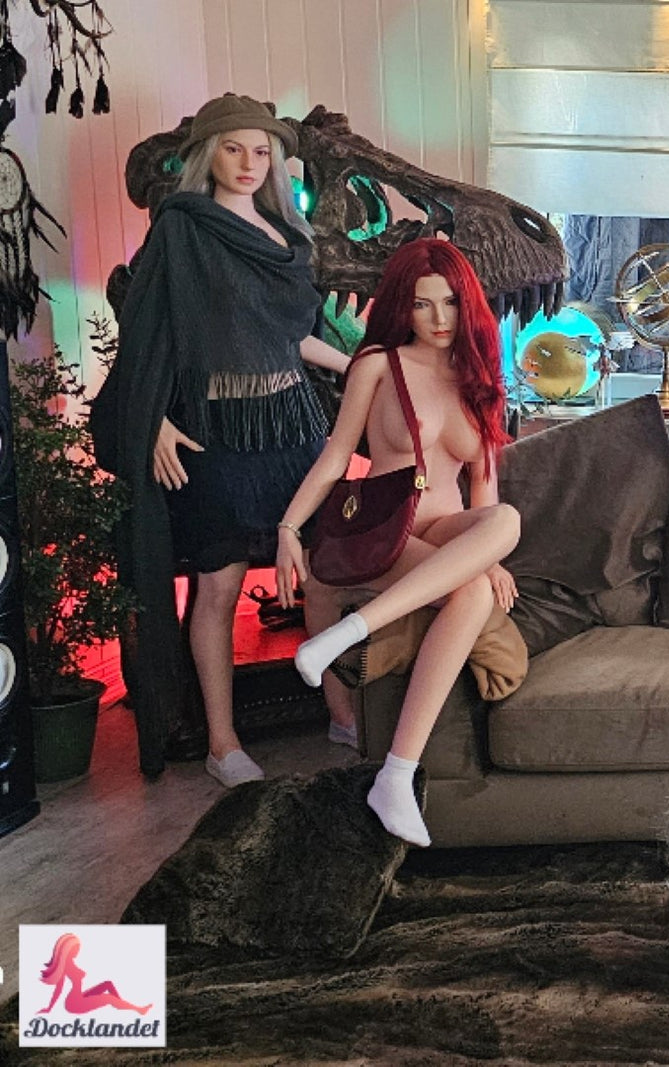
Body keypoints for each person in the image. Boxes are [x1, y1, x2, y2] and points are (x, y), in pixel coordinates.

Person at [94, 93, 352, 784]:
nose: (248, 162)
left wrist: (361, 367)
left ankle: (340, 709)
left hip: (294, 428)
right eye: (233, 148)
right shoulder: (182, 228)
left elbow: (292, 340)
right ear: (209, 154)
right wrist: (153, 419)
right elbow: (146, 334)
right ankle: (221, 740)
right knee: (220, 585)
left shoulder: (284, 233)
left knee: (323, 574)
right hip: (218, 436)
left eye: (261, 151)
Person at [276, 238, 520, 847]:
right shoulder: (378, 365)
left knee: (506, 521)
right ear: (401, 308)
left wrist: (487, 556)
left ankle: (345, 637)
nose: (439, 319)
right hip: (386, 532)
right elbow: (336, 456)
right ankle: (397, 775)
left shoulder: (477, 375)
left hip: (446, 530)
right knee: (470, 596)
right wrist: (288, 528)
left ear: (468, 305)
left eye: (450, 303)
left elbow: (483, 490)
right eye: (421, 305)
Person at [37, 933, 153, 1015]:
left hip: (80, 996)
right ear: (70, 949)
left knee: (107, 984)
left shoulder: (70, 962)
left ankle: (119, 1004)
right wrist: (49, 1008)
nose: (78, 951)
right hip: (75, 1004)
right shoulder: (64, 966)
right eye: (77, 948)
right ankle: (138, 1010)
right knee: (109, 998)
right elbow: (59, 989)